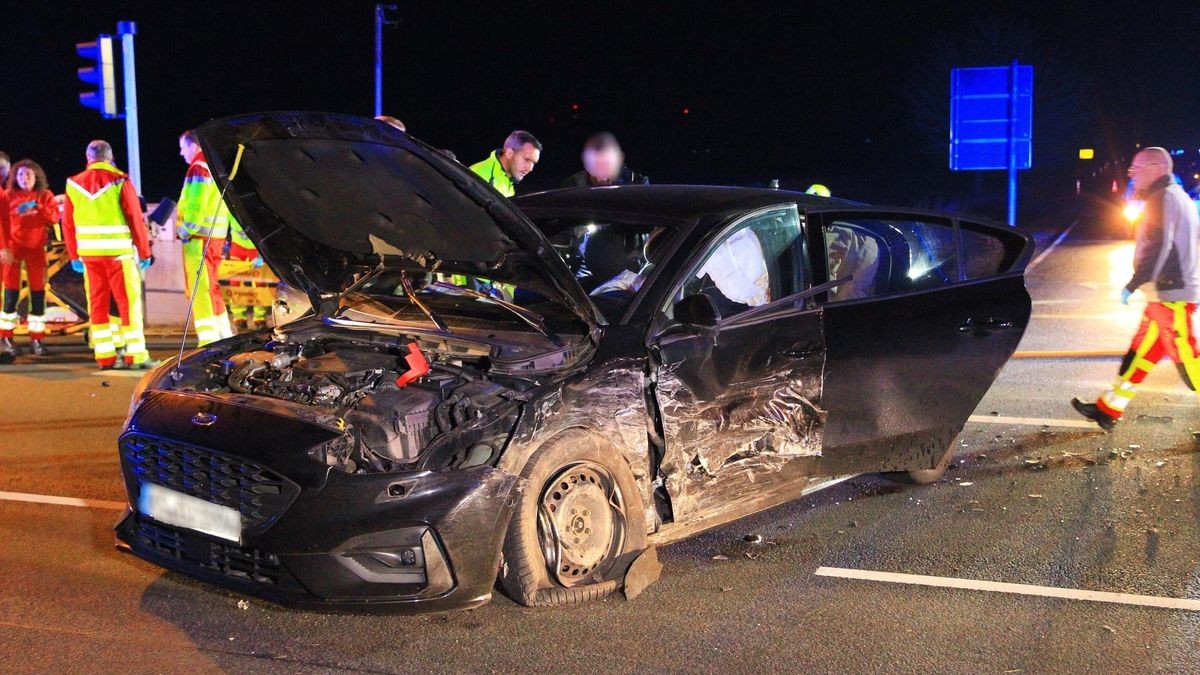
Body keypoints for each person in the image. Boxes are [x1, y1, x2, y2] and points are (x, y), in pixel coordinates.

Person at [1073, 147, 1200, 430]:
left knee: (1189, 360)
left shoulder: (1163, 198)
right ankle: (1109, 409)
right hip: (1165, 294)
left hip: (1172, 296)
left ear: (1156, 167)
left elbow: (1158, 247)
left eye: (1136, 169)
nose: (1132, 175)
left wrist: (1133, 284)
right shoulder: (1174, 196)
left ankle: (1109, 408)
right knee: (1140, 353)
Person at [62, 140, 154, 369]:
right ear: (110, 157)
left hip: (89, 257)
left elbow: (68, 224)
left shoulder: (73, 184)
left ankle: (105, 356)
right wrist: (144, 251)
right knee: (128, 305)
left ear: (88, 158)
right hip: (118, 255)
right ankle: (136, 355)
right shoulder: (119, 180)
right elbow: (134, 218)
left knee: (98, 305)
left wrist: (74, 255)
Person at [177, 130, 234, 345]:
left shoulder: (198, 168)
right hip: (215, 236)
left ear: (193, 146)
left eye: (183, 147)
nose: (181, 153)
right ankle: (224, 335)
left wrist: (185, 231)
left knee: (200, 290)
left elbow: (195, 205)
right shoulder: (216, 167)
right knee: (211, 287)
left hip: (199, 238)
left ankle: (208, 340)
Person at [0, 160, 59, 356]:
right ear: (14, 177)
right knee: (10, 296)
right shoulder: (8, 196)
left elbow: (54, 218)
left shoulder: (45, 196)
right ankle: (6, 338)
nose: (24, 179)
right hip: (13, 250)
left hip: (36, 251)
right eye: (21, 175)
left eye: (29, 175)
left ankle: (37, 340)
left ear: (37, 177)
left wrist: (39, 207)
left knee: (38, 295)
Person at [225, 219, 270, 331]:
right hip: (237, 247)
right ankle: (239, 317)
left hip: (256, 247)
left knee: (261, 284)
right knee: (236, 284)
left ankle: (260, 318)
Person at [561, 132, 648, 188]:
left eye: (607, 164)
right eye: (596, 165)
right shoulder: (572, 186)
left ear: (619, 160)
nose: (601, 175)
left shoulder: (638, 183)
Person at [468, 131, 541, 198]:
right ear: (509, 153)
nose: (530, 168)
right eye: (526, 159)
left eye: (533, 163)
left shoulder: (510, 177)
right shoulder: (480, 174)